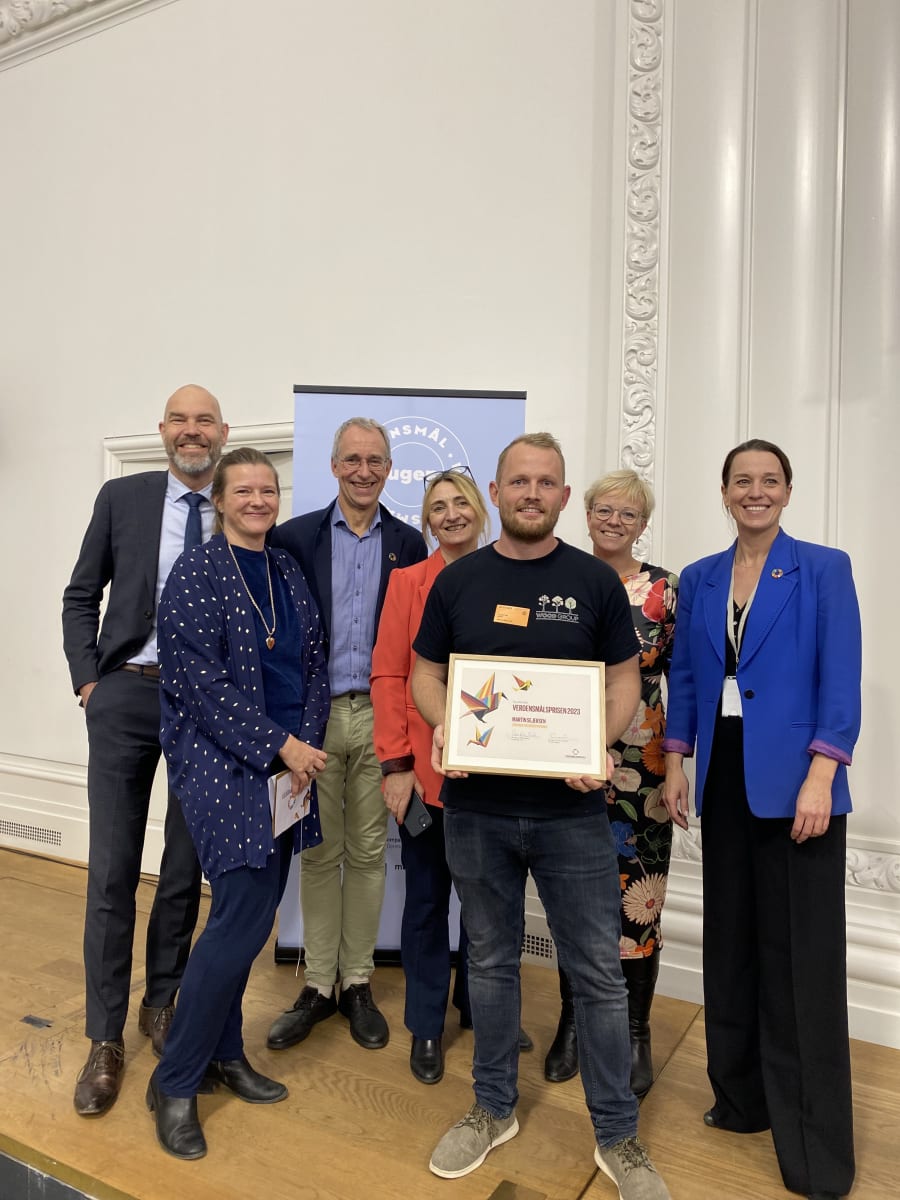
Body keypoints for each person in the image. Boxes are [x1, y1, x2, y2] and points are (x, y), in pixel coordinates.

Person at [411, 433, 671, 1198]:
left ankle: (617, 1137)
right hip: (477, 809)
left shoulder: (592, 580)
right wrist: (440, 725)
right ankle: (492, 1108)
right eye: (518, 481)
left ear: (563, 497)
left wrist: (601, 738)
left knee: (595, 973)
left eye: (546, 482)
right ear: (497, 492)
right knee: (489, 963)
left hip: (572, 814)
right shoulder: (458, 583)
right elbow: (427, 675)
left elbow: (622, 681)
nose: (531, 492)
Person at [662, 439, 861, 1200]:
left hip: (799, 788)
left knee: (800, 963)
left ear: (787, 490)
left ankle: (815, 1148)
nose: (755, 491)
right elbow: (687, 678)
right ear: (722, 492)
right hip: (724, 782)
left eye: (768, 480)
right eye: (742, 481)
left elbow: (840, 678)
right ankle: (740, 1098)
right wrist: (676, 762)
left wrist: (823, 772)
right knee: (733, 944)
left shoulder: (824, 568)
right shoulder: (701, 577)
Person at [148, 446, 330, 1159]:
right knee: (237, 924)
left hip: (291, 769)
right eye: (243, 490)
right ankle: (175, 1080)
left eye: (267, 489)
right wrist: (281, 746)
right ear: (220, 499)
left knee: (244, 921)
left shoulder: (284, 568)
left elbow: (313, 662)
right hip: (225, 765)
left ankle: (224, 1056)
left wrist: (305, 747)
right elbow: (197, 684)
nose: (258, 500)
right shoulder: (195, 573)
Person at [62, 384, 229, 1117]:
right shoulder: (122, 497)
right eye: (181, 420)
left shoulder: (243, 502)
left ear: (222, 432)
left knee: (184, 868)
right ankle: (104, 1038)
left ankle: (162, 1002)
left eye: (205, 421)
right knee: (112, 871)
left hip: (205, 706)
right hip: (126, 692)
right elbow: (79, 596)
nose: (193, 433)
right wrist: (88, 684)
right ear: (163, 429)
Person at [265, 418, 427, 1053]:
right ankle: (317, 983)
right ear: (334, 466)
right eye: (353, 459)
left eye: (376, 461)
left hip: (384, 716)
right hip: (313, 720)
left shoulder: (411, 544)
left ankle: (357, 982)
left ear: (389, 469)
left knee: (366, 852)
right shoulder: (295, 538)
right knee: (317, 850)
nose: (364, 470)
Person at [545, 470, 678, 1099]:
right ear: (586, 513)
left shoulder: (663, 591)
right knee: (576, 897)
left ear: (643, 522)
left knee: (638, 898)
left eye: (628, 513)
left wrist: (678, 764)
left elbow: (693, 683)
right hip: (567, 763)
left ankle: (635, 1030)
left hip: (642, 770)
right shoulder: (560, 577)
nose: (614, 521)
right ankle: (573, 1019)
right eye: (604, 509)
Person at [370, 467, 489, 1085]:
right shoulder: (408, 583)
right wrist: (394, 765)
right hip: (425, 777)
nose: (450, 514)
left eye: (460, 503)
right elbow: (390, 676)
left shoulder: (506, 574)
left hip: (497, 781)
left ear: (481, 510)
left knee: (488, 906)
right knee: (424, 904)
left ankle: (481, 1009)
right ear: (426, 521)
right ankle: (424, 1025)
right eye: (438, 506)